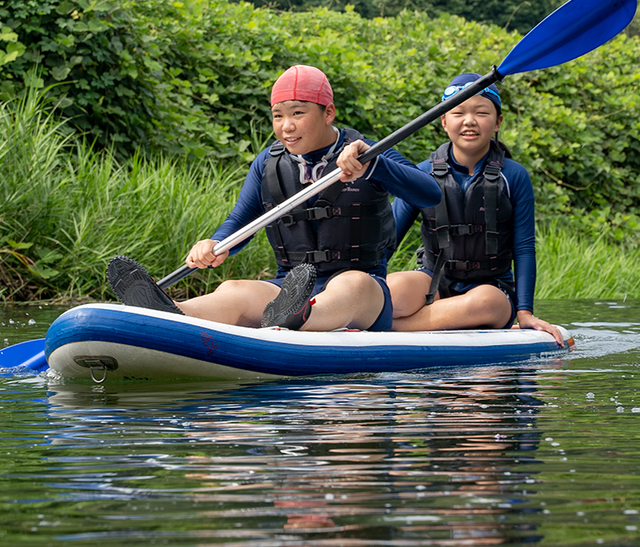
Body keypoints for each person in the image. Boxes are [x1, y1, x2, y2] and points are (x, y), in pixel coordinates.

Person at [108, 64, 441, 331]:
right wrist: (216, 243)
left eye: (298, 113)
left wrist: (374, 165)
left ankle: (301, 317)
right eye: (278, 115)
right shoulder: (268, 163)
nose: (286, 126)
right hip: (288, 287)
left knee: (350, 286)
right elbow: (242, 220)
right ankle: (172, 313)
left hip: (364, 291)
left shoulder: (367, 153)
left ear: (328, 113)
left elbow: (428, 193)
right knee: (236, 290)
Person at [386, 73, 566, 346]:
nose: (469, 120)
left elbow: (524, 248)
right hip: (433, 283)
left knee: (485, 302)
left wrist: (525, 313)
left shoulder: (514, 176)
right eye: (458, 112)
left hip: (492, 290)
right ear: (444, 121)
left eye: (481, 112)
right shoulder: (421, 174)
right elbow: (387, 241)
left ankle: (392, 326)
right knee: (391, 288)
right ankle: (414, 319)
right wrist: (368, 292)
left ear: (498, 123)